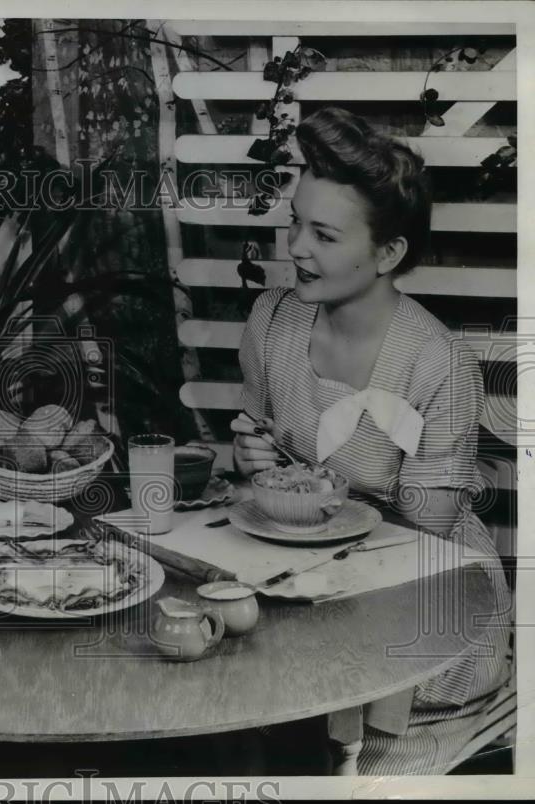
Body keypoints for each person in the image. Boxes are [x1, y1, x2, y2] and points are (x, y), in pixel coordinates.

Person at [231, 106, 512, 775]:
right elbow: (258, 433)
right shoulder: (274, 318)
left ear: (389, 253)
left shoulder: (436, 361)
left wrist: (335, 476)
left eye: (324, 235)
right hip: (311, 579)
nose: (296, 247)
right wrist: (258, 456)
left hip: (423, 603)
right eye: (295, 222)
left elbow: (429, 525)